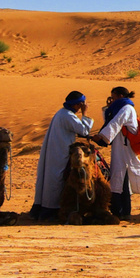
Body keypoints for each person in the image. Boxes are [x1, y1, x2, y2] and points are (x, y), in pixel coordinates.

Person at [31, 91, 95, 222]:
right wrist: (85, 114)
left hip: (56, 150)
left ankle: (43, 209)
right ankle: (52, 210)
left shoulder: (62, 113)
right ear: (78, 104)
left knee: (52, 178)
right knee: (57, 178)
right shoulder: (68, 116)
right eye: (82, 104)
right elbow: (84, 131)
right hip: (60, 152)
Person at [95, 86, 140, 221]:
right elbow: (111, 120)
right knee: (120, 178)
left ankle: (120, 211)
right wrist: (108, 108)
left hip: (125, 148)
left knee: (119, 178)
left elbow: (115, 123)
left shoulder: (127, 108)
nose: (112, 100)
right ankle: (122, 211)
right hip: (120, 147)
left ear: (119, 96)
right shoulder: (120, 108)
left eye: (113, 97)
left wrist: (102, 137)